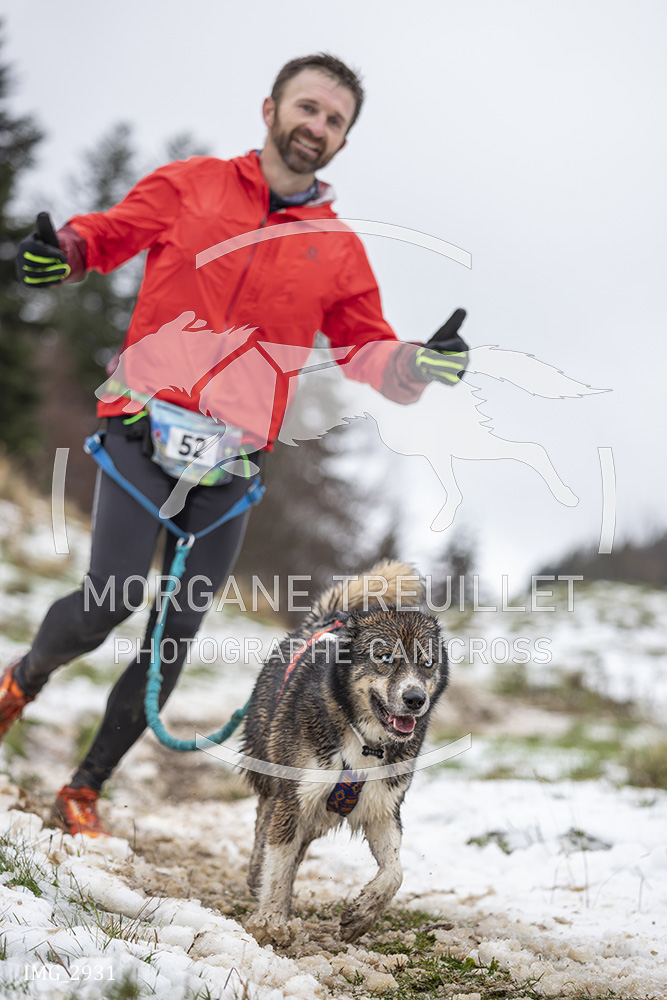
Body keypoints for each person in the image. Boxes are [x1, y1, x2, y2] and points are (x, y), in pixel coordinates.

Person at [3, 53, 468, 838]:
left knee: (173, 636)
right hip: (143, 430)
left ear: (342, 141)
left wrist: (416, 364)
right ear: (270, 109)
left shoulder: (336, 248)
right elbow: (106, 237)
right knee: (108, 601)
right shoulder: (190, 185)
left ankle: (83, 790)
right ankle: (22, 682)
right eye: (307, 107)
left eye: (333, 119)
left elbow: (366, 348)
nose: (316, 125)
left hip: (231, 464)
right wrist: (67, 252)